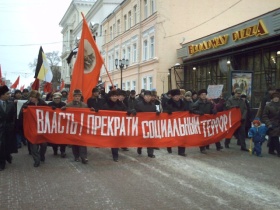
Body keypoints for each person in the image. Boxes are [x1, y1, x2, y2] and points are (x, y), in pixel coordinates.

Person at [19, 90, 48, 167]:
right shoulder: (27, 104)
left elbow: (49, 112)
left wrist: (53, 109)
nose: (31, 98)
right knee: (33, 144)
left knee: (44, 144)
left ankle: (42, 155)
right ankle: (36, 160)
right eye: (30, 97)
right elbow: (21, 115)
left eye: (33, 97)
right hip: (32, 128)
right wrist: (23, 110)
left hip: (42, 128)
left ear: (37, 97)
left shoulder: (43, 103)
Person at [191, 89, 222, 154]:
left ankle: (218, 146)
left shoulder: (209, 102)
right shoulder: (197, 103)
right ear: (199, 96)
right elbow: (192, 110)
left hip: (209, 120)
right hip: (201, 121)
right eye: (202, 95)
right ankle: (202, 148)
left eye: (205, 94)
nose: (204, 96)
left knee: (212, 132)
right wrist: (199, 112)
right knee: (202, 135)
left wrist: (213, 111)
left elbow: (212, 108)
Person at [62, 89, 89, 163]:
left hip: (81, 126)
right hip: (73, 126)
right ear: (73, 97)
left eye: (79, 96)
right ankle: (76, 156)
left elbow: (88, 114)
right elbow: (63, 114)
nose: (77, 97)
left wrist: (92, 111)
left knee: (83, 142)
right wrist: (63, 109)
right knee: (75, 143)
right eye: (76, 96)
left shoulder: (84, 105)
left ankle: (84, 157)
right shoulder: (69, 105)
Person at [102, 90, 127, 162]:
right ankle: (115, 155)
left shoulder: (121, 104)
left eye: (115, 96)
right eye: (113, 96)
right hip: (109, 126)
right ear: (110, 97)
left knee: (115, 141)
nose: (114, 97)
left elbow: (126, 110)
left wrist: (130, 111)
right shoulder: (106, 105)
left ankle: (115, 155)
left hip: (118, 125)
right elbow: (102, 113)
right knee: (113, 141)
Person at [163, 89, 187, 156]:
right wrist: (167, 112)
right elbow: (164, 111)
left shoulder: (183, 103)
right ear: (172, 96)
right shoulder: (168, 102)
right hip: (172, 123)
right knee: (171, 136)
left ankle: (181, 151)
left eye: (178, 95)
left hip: (181, 123)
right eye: (175, 96)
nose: (177, 97)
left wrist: (189, 111)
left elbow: (186, 110)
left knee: (182, 136)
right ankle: (169, 146)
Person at [135, 90, 159, 158]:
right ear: (144, 97)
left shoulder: (153, 106)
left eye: (149, 96)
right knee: (141, 138)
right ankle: (139, 147)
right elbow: (135, 113)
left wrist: (157, 112)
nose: (148, 97)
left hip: (150, 125)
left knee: (150, 139)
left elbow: (155, 113)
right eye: (146, 96)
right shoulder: (139, 104)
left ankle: (150, 153)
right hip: (141, 125)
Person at [0, 85, 18, 171]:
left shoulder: (11, 104)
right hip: (0, 128)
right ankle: (2, 162)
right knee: (1, 145)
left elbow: (14, 117)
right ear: (2, 95)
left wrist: (12, 125)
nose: (9, 95)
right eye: (7, 94)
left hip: (8, 128)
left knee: (7, 144)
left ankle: (7, 155)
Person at [48, 92, 67, 158]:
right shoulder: (50, 104)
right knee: (54, 138)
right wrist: (50, 109)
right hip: (53, 124)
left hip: (62, 124)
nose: (57, 100)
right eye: (56, 98)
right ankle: (55, 150)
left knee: (63, 138)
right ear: (53, 98)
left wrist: (65, 108)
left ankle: (62, 151)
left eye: (58, 98)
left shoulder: (63, 104)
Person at [262, 92, 280, 157]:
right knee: (275, 137)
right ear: (272, 98)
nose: (276, 99)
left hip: (278, 123)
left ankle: (271, 150)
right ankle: (279, 151)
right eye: (275, 97)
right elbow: (264, 116)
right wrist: (269, 124)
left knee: (273, 137)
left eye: (277, 97)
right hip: (271, 123)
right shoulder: (268, 106)